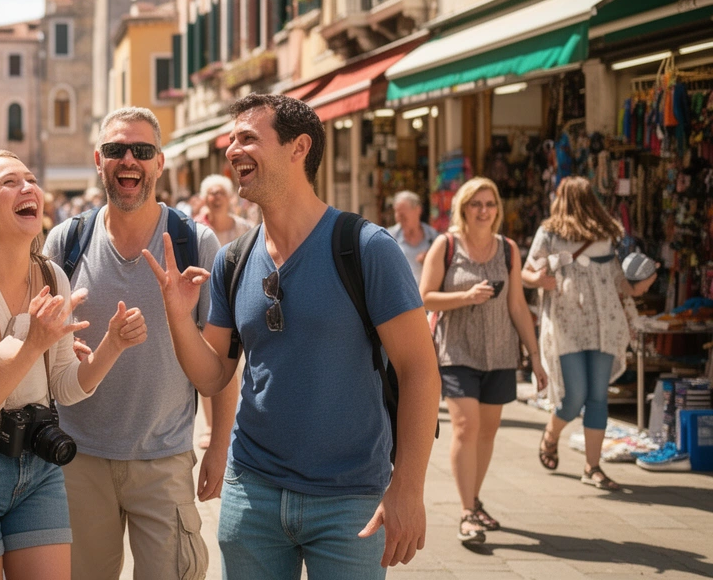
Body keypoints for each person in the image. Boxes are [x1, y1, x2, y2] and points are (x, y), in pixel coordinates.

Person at [144, 94, 440, 579]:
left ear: (299, 148)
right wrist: (179, 316)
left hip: (350, 501)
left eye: (248, 138)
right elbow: (213, 375)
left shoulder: (366, 248)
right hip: (252, 494)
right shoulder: (232, 259)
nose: (233, 150)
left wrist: (408, 487)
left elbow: (420, 369)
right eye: (231, 139)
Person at [0, 150, 144, 579]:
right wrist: (30, 343)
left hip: (38, 467)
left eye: (31, 179)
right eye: (9, 182)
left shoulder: (52, 276)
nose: (28, 188)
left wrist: (111, 346)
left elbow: (65, 386)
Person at [43, 108, 228, 580]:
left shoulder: (196, 243)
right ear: (98, 160)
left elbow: (222, 358)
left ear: (159, 164)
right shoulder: (66, 242)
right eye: (116, 150)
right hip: (78, 459)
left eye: (141, 151)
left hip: (164, 459)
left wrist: (219, 445)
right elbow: (41, 345)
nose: (129, 160)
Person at [419, 177, 547, 544]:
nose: (484, 210)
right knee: (465, 427)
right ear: (463, 207)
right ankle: (465, 513)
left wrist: (535, 358)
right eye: (476, 203)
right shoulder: (446, 245)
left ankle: (474, 500)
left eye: (490, 204)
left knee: (487, 433)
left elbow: (518, 306)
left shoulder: (508, 249)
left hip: (501, 353)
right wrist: (466, 297)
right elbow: (424, 297)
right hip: (456, 352)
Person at [522, 176, 656, 491]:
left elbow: (617, 278)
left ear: (563, 199)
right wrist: (540, 280)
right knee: (575, 396)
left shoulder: (607, 234)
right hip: (569, 325)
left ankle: (592, 467)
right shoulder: (550, 233)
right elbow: (526, 272)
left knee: (598, 396)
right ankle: (551, 434)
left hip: (604, 324)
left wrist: (640, 283)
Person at [194, 173, 252, 451]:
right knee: (208, 365)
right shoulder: (195, 231)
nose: (215, 197)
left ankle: (233, 423)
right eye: (211, 193)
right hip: (206, 308)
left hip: (240, 304)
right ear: (204, 198)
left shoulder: (245, 229)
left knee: (239, 368)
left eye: (220, 192)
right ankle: (210, 425)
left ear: (230, 197)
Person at [386, 191, 438, 282]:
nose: (398, 217)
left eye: (403, 215)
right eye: (396, 213)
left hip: (425, 294)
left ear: (418, 210)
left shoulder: (433, 237)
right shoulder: (388, 238)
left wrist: (431, 260)